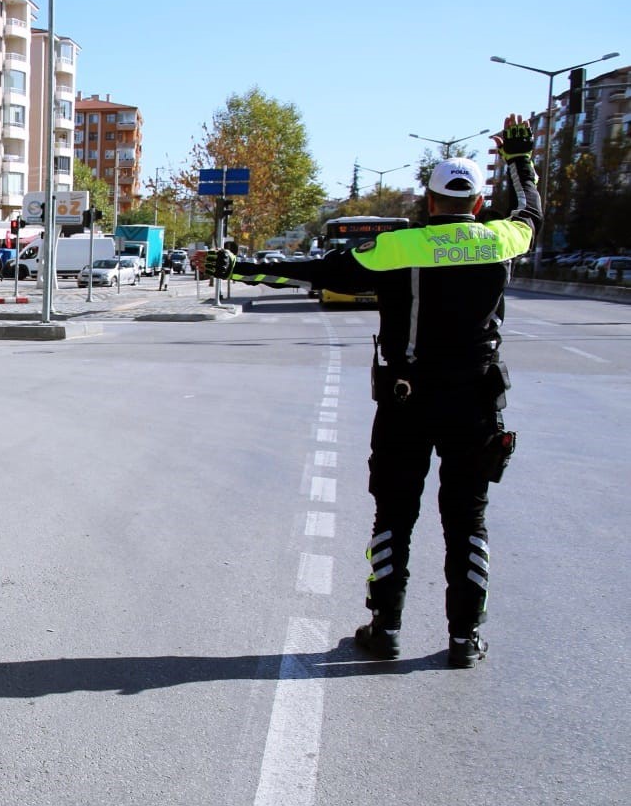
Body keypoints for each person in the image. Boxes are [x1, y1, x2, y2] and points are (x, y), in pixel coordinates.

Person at [202, 115, 541, 668]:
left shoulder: (394, 247)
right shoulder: (501, 239)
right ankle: (463, 639)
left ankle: (386, 628)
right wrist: (521, 160)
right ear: (478, 204)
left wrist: (242, 267)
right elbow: (531, 211)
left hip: (407, 403)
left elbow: (315, 271)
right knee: (468, 521)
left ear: (427, 201)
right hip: (475, 406)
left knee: (394, 517)